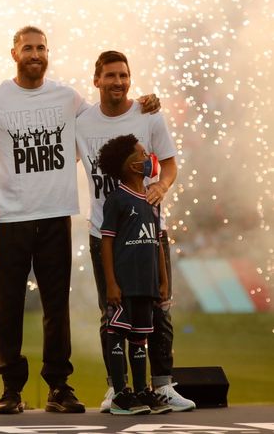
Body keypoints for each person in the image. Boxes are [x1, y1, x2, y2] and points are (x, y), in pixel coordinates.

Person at [0, 27, 159, 414]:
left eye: (41, 48)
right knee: (7, 308)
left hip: (57, 214)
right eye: (28, 48)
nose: (36, 54)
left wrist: (142, 103)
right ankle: (11, 389)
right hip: (10, 218)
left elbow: (106, 119)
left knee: (56, 308)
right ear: (14, 54)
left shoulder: (67, 98)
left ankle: (59, 385)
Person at [75, 50, 195, 412]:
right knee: (111, 310)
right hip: (105, 233)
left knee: (159, 309)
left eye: (123, 75)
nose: (118, 82)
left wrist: (162, 186)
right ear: (96, 80)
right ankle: (118, 388)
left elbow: (170, 164)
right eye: (110, 75)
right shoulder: (81, 120)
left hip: (149, 231)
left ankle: (162, 385)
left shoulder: (148, 114)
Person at [98, 134, 172, 415]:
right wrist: (111, 283)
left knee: (140, 337)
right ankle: (120, 394)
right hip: (125, 284)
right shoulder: (117, 199)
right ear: (131, 166)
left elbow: (157, 242)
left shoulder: (152, 199)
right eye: (142, 154)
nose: (148, 158)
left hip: (147, 284)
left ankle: (142, 391)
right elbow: (106, 242)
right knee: (117, 332)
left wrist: (163, 280)